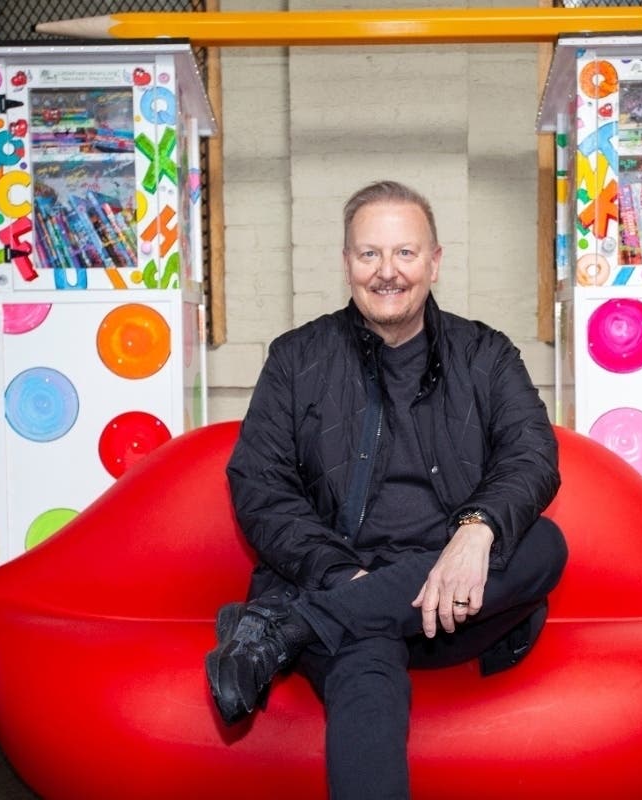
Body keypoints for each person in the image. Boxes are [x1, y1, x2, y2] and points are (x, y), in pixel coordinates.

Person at [205, 180, 568, 799]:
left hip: (453, 605)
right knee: (364, 658)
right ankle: (334, 614)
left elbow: (533, 454)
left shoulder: (487, 354)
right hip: (337, 579)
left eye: (405, 252)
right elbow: (260, 486)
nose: (387, 272)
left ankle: (286, 629)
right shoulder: (296, 359)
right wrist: (342, 576)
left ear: (434, 260)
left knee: (545, 544)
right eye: (369, 253)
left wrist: (475, 528)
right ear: (347, 263)